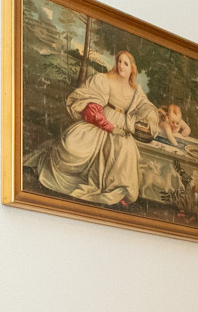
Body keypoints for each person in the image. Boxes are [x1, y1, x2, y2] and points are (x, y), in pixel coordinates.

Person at [28, 50, 160, 205]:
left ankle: (118, 191)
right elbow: (92, 109)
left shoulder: (136, 90)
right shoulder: (104, 79)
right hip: (100, 123)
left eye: (125, 63)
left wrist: (150, 117)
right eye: (119, 61)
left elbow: (147, 107)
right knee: (71, 147)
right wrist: (109, 127)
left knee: (125, 153)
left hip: (122, 127)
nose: (121, 66)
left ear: (132, 68)